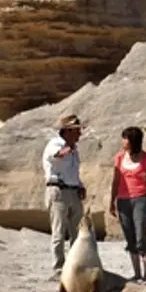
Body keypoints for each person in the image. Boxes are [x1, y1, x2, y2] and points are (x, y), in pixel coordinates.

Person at [107, 125, 146, 282]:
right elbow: (115, 181)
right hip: (123, 200)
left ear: (133, 140)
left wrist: (145, 176)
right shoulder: (120, 158)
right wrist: (112, 201)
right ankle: (136, 273)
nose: (123, 142)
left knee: (141, 234)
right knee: (130, 236)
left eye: (125, 138)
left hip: (140, 198)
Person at [42, 113, 86, 277]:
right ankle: (58, 267)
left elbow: (72, 172)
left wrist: (80, 185)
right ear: (67, 131)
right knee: (59, 232)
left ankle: (74, 264)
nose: (79, 134)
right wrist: (69, 148)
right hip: (58, 191)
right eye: (76, 131)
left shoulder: (74, 150)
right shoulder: (55, 144)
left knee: (76, 231)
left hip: (72, 190)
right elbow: (57, 156)